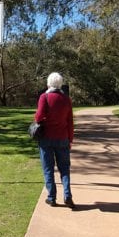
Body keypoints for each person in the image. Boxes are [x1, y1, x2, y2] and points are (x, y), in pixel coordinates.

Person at [35, 72, 75, 208]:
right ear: (61, 84)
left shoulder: (44, 97)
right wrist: (70, 139)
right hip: (63, 138)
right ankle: (68, 195)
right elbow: (70, 121)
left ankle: (51, 197)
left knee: (48, 168)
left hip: (46, 138)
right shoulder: (66, 99)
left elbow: (38, 118)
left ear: (48, 84)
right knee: (64, 168)